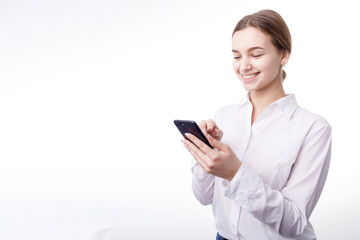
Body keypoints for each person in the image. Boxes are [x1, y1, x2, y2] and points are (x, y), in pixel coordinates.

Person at [181, 9, 331, 240]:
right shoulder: (224, 116)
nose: (244, 66)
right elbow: (203, 197)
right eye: (237, 56)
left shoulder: (313, 128)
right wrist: (203, 154)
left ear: (284, 55)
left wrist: (235, 173)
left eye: (256, 54)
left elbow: (295, 222)